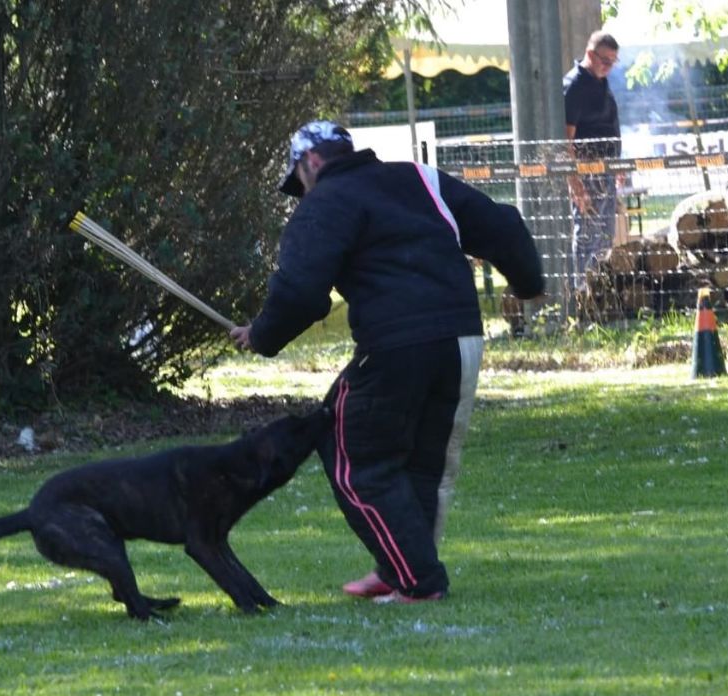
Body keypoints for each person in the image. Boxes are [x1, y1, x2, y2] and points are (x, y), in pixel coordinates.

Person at [229, 121, 544, 603]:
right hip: (462, 338)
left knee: (351, 451)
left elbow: (299, 292)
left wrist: (262, 335)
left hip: (397, 343)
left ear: (310, 162)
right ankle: (400, 566)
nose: (301, 191)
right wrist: (527, 286)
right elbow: (503, 225)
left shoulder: (325, 202)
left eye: (299, 179)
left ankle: (417, 580)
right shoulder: (420, 178)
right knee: (424, 462)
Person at [563, 30, 622, 289]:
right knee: (587, 234)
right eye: (604, 61)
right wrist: (575, 182)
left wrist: (617, 165)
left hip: (606, 169)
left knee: (605, 234)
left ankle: (600, 291)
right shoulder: (575, 85)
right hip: (587, 172)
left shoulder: (600, 82)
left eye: (613, 62)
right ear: (590, 54)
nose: (608, 67)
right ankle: (582, 294)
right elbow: (566, 140)